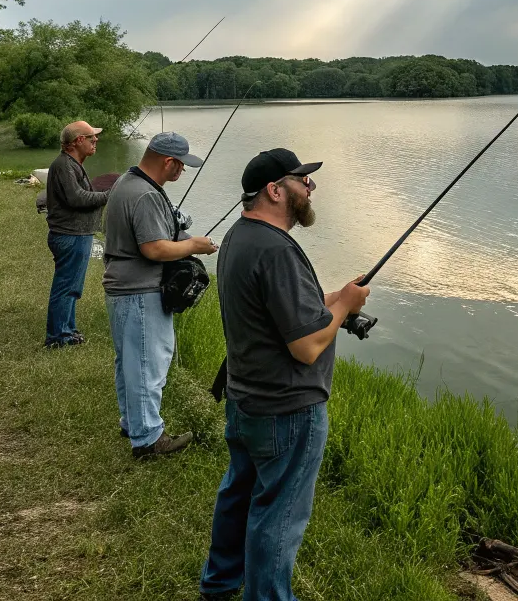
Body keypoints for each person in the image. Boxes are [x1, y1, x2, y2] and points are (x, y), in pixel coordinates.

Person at [199, 148, 370, 601]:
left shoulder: (241, 236)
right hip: (286, 409)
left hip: (247, 398)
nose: (310, 187)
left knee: (239, 496)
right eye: (302, 180)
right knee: (278, 516)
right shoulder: (276, 250)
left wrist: (338, 297)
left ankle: (218, 585)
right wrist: (347, 307)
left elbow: (291, 313)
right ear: (275, 190)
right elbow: (308, 344)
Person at [103, 131, 218, 460]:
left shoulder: (128, 181)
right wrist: (194, 245)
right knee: (146, 364)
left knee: (129, 362)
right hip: (139, 292)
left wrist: (177, 232)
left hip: (122, 288)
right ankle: (149, 440)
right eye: (181, 166)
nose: (182, 172)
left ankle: (133, 423)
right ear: (168, 162)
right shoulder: (147, 195)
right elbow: (153, 248)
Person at [43, 121, 112, 348]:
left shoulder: (71, 164)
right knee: (66, 287)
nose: (96, 141)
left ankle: (68, 331)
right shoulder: (64, 165)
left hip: (76, 235)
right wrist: (109, 195)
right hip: (70, 235)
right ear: (78, 141)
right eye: (92, 137)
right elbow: (77, 198)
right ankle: (57, 337)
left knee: (72, 287)